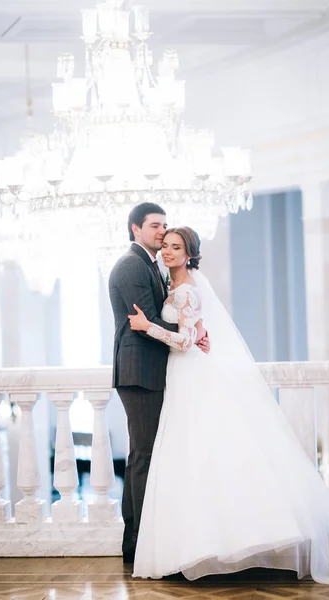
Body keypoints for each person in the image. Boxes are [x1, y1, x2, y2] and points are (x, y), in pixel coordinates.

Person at [128, 226, 329, 591]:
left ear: (188, 254)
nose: (167, 251)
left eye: (175, 247)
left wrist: (148, 326)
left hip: (192, 372)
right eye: (164, 245)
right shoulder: (175, 286)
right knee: (191, 454)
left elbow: (183, 341)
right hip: (184, 375)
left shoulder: (186, 290)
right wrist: (195, 331)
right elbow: (194, 333)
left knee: (202, 449)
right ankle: (199, 543)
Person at [108, 204, 209, 564]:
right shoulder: (133, 265)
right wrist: (188, 335)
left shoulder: (151, 265)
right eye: (154, 226)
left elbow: (172, 318)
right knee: (144, 457)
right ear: (135, 228)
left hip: (152, 369)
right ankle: (138, 544)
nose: (160, 234)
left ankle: (138, 542)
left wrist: (193, 331)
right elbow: (147, 321)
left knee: (143, 455)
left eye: (164, 227)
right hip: (140, 370)